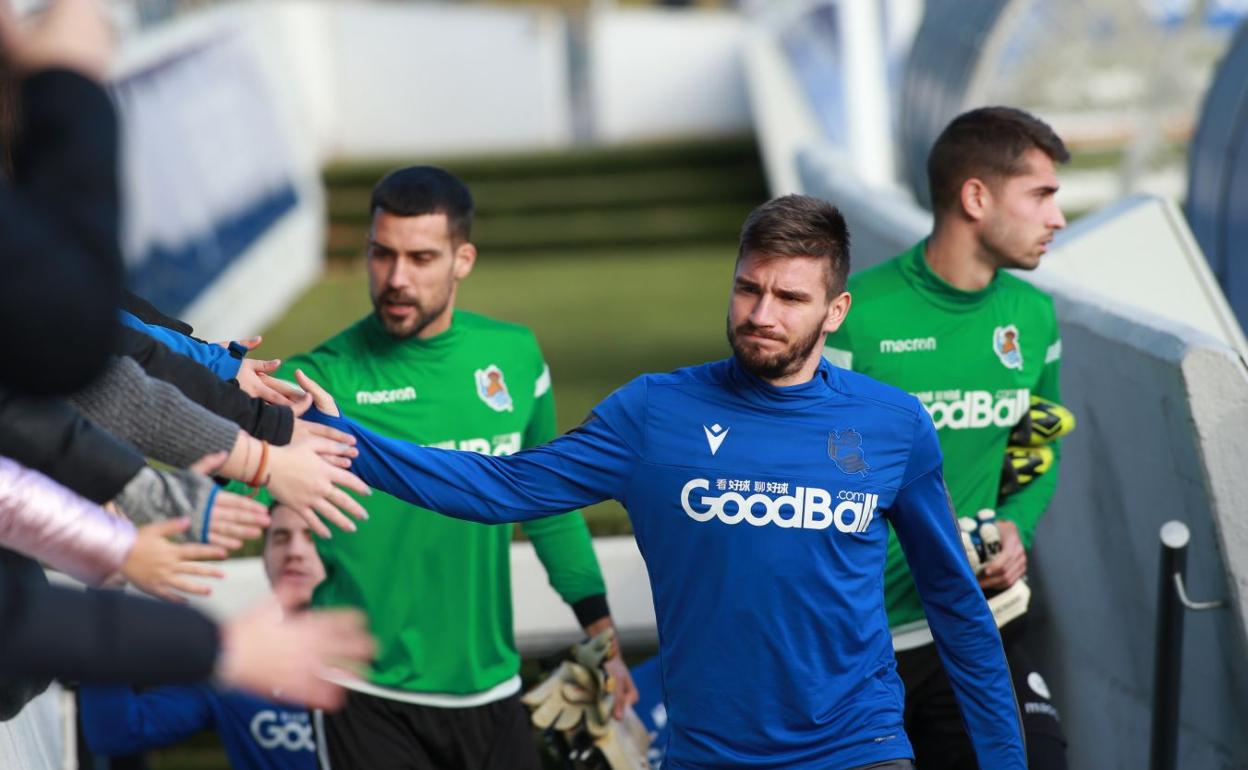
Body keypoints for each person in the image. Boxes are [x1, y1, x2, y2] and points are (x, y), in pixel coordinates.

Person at [296, 193, 1027, 769]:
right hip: (708, 755)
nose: (761, 315)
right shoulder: (653, 414)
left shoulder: (893, 425)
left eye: (790, 298)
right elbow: (501, 487)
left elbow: (956, 606)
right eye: (748, 289)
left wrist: (1004, 763)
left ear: (835, 311)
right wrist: (341, 439)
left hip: (857, 750)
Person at [275, 166, 634, 770]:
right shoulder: (320, 381)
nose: (396, 278)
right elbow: (235, 487)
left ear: (462, 259)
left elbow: (550, 510)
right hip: (363, 692)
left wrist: (603, 637)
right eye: (382, 254)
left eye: (420, 258)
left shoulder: (515, 357)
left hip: (491, 686)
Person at [824, 106, 1070, 769]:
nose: (1057, 218)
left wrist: (1016, 525)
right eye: (1041, 195)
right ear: (976, 197)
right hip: (855, 642)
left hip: (974, 627)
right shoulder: (856, 318)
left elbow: (1038, 447)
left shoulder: (1034, 316)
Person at [80, 503, 329, 770]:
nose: (294, 551)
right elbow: (115, 733)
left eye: (312, 538)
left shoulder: (367, 663)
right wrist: (106, 592)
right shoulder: (238, 667)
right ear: (266, 556)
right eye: (280, 538)